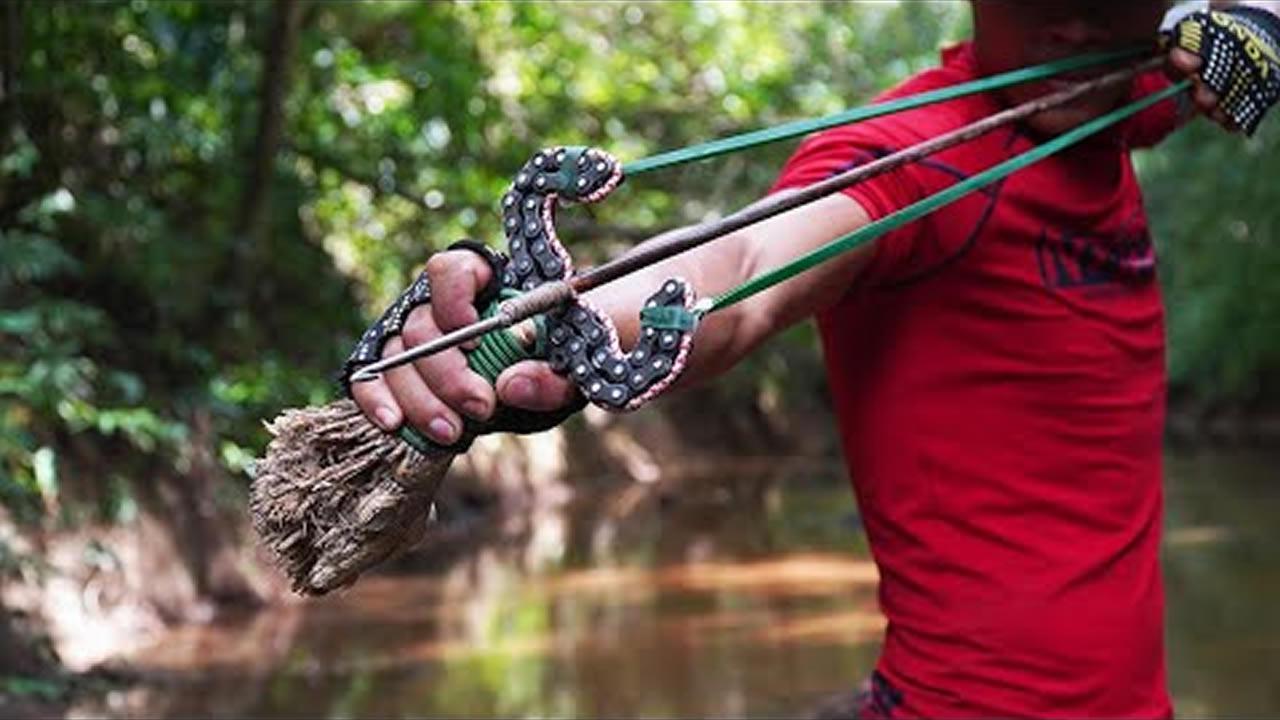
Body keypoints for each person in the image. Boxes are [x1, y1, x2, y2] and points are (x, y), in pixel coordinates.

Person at [348, 1, 1280, 717]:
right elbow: (746, 258)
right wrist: (550, 320)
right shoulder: (910, 155)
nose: (1078, 20)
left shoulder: (1116, 93)